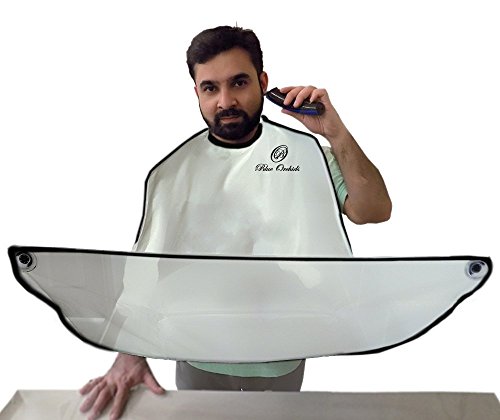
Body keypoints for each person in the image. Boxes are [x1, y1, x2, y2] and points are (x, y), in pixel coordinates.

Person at [79, 25, 392, 420]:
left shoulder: (306, 154)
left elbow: (374, 210)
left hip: (283, 353)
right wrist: (129, 355)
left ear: (263, 82)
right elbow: (146, 269)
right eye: (210, 88)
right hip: (197, 353)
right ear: (197, 93)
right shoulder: (172, 173)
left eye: (239, 83)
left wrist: (336, 132)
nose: (225, 101)